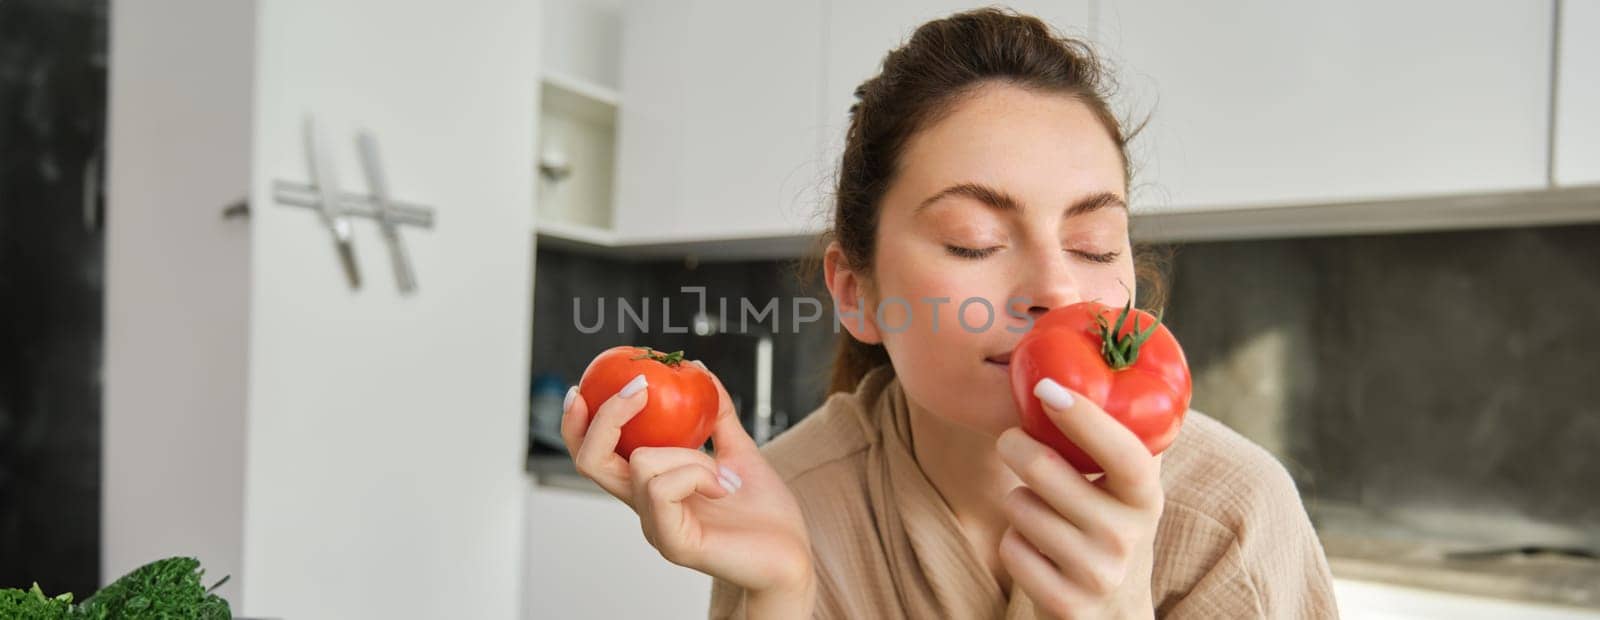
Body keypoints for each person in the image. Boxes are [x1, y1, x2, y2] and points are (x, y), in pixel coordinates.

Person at [561, 8, 1338, 619]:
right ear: (856, 292)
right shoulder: (792, 500)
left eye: (1095, 245)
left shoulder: (1233, 515)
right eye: (975, 241)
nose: (1057, 292)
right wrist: (780, 597)